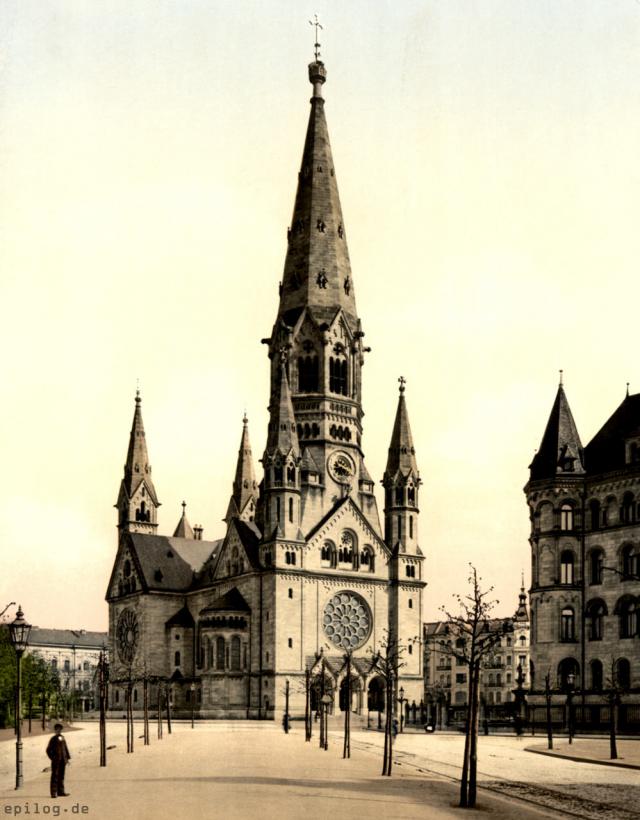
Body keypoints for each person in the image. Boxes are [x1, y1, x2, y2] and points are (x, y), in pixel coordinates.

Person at [46, 723, 71, 798]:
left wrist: (67, 759)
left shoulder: (62, 738)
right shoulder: (53, 739)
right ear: (55, 730)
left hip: (63, 760)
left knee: (61, 776)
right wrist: (53, 758)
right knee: (55, 776)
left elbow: (65, 749)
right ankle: (53, 793)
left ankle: (61, 792)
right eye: (57, 729)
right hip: (56, 761)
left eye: (60, 729)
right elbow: (48, 750)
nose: (59, 731)